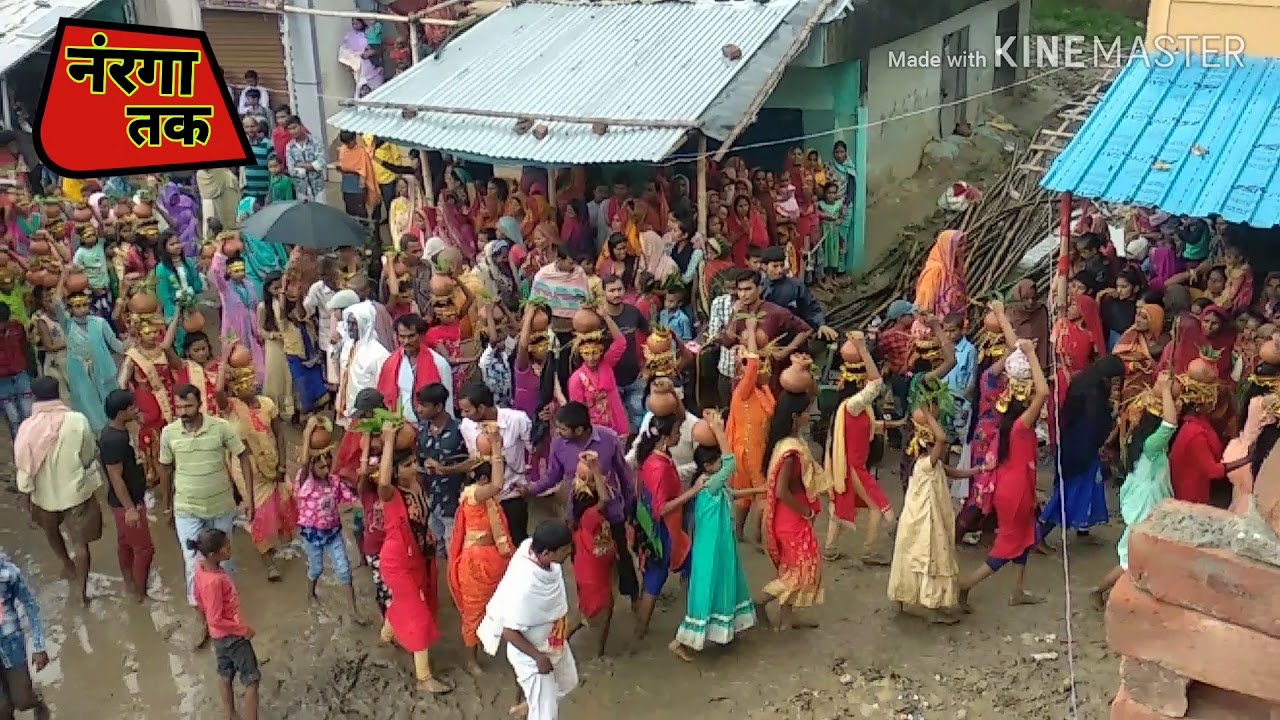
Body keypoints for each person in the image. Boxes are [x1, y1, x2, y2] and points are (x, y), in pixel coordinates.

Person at [957, 342, 1049, 609]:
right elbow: (1043, 391)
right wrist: (1032, 354)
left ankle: (1018, 590)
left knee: (1025, 535)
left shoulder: (1006, 425)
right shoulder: (1021, 426)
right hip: (1016, 490)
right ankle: (967, 584)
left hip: (1013, 487)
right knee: (1008, 545)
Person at [526, 402, 640, 608]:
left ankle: (632, 597)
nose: (558, 432)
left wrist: (630, 506)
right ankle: (588, 601)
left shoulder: (609, 438)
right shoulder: (558, 444)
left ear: (579, 429)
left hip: (611, 512)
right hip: (577, 514)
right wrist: (530, 489)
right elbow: (553, 476)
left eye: (562, 429)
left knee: (621, 554)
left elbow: (624, 475)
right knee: (581, 559)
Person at [670, 410, 758, 661]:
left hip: (720, 544)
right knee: (708, 587)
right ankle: (680, 641)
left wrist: (763, 489)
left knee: (724, 582)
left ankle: (725, 629)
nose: (722, 464)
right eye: (717, 462)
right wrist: (720, 431)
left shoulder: (710, 484)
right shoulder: (710, 483)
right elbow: (731, 464)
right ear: (709, 466)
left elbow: (734, 493)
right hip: (712, 546)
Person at [159, 384, 255, 608]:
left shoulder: (221, 428)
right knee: (193, 562)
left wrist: (248, 497)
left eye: (188, 406)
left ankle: (228, 605)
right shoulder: (169, 433)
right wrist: (167, 507)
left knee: (225, 558)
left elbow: (243, 456)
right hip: (186, 508)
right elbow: (165, 469)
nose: (183, 412)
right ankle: (200, 611)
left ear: (200, 405)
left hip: (221, 505)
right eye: (179, 407)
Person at [372, 422, 450, 694]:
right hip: (398, 562)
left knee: (419, 600)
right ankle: (423, 677)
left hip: (419, 557)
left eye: (414, 462)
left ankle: (386, 637)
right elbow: (382, 481)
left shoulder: (417, 484)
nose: (413, 468)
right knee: (417, 613)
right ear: (394, 470)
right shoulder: (391, 494)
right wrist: (389, 441)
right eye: (407, 465)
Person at [1090, 371, 1178, 608]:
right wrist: (1167, 391)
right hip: (1145, 506)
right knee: (1130, 560)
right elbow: (1170, 424)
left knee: (1141, 556)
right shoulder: (1152, 446)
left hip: (1141, 499)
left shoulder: (1136, 437)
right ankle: (1099, 590)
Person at [478, 520, 579, 720]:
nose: (569, 552)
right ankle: (535, 706)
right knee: (545, 715)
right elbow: (509, 631)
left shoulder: (534, 551)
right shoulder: (525, 587)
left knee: (569, 682)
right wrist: (538, 657)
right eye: (564, 550)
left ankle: (530, 705)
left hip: (553, 641)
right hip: (532, 655)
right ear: (547, 553)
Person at [14, 377, 100, 608]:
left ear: (33, 397)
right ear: (59, 392)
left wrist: (25, 498)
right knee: (80, 543)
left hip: (43, 496)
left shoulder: (26, 427)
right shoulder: (77, 420)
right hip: (75, 492)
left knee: (51, 532)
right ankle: (82, 592)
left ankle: (67, 565)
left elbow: (23, 465)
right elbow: (89, 453)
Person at [887, 406, 975, 624]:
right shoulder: (925, 464)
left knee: (911, 555)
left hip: (919, 517)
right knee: (929, 557)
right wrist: (927, 414)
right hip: (926, 518)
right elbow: (942, 438)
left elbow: (953, 472)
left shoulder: (929, 465)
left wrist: (979, 471)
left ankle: (903, 599)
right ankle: (932, 606)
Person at [754, 390, 828, 631]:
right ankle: (761, 601)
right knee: (801, 570)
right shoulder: (790, 452)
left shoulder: (785, 444)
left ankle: (787, 617)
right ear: (796, 417)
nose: (810, 415)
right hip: (791, 517)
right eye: (807, 412)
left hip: (790, 515)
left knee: (792, 566)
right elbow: (781, 491)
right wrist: (805, 511)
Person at [447, 423, 515, 676]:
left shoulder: (485, 497)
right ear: (483, 479)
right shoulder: (475, 495)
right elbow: (498, 485)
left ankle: (504, 646)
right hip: (476, 564)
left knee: (503, 606)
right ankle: (470, 660)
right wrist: (496, 444)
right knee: (474, 611)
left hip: (494, 559)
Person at [823, 331, 894, 562]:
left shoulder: (847, 405)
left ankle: (830, 547)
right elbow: (876, 383)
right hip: (855, 466)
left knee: (840, 503)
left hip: (844, 464)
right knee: (880, 508)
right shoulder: (855, 404)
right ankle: (869, 551)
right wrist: (863, 349)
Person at [222, 360, 293, 581]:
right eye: (241, 384)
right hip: (246, 467)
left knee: (284, 501)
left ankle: (280, 542)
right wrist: (225, 356)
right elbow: (216, 390)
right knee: (259, 512)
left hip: (271, 461)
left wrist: (282, 464)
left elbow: (279, 435)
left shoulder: (267, 404)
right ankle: (267, 559)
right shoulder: (231, 409)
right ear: (233, 388)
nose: (248, 387)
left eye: (250, 382)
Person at [632, 412, 700, 641]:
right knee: (672, 574)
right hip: (665, 532)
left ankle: (640, 632)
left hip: (652, 530)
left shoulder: (652, 458)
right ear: (665, 436)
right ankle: (698, 619)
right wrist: (693, 490)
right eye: (677, 431)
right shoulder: (659, 466)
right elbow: (661, 508)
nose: (680, 434)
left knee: (654, 578)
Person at [189, 528, 261, 720]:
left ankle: (229, 714)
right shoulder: (216, 581)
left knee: (225, 674)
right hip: (233, 637)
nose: (231, 549)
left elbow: (197, 598)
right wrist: (242, 629)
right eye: (227, 548)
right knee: (252, 680)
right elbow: (216, 618)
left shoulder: (199, 568)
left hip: (218, 637)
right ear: (214, 554)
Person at [294, 420, 361, 618]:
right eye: (321, 467)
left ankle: (353, 609)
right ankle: (310, 592)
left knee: (344, 569)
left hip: (333, 533)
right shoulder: (306, 481)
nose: (326, 470)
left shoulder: (334, 482)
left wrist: (363, 506)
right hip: (311, 534)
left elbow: (351, 499)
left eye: (328, 465)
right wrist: (307, 434)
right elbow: (305, 462)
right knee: (316, 568)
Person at [458, 383, 533, 544]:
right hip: (485, 497)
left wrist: (532, 484)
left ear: (482, 408)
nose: (464, 415)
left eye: (467, 410)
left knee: (516, 542)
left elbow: (534, 452)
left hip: (511, 495)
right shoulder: (467, 425)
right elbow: (474, 460)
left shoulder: (517, 419)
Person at [101, 389, 154, 604]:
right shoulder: (114, 440)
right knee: (145, 549)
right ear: (121, 413)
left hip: (122, 502)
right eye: (132, 407)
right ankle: (140, 593)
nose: (136, 408)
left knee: (125, 544)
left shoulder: (117, 432)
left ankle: (130, 584)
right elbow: (115, 477)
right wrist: (131, 508)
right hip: (127, 503)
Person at [725, 315, 775, 542]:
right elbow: (753, 363)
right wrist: (752, 329)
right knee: (762, 494)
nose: (763, 369)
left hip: (756, 448)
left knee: (746, 494)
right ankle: (758, 536)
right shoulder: (743, 391)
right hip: (747, 450)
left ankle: (740, 533)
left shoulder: (763, 389)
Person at [416, 383, 468, 556]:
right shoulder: (422, 429)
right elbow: (419, 463)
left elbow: (472, 463)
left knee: (454, 551)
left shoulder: (460, 430)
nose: (419, 409)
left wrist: (448, 470)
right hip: (431, 501)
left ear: (438, 407)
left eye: (424, 405)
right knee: (436, 550)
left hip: (453, 502)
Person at [0, 552, 51, 720]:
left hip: (11, 647)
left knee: (23, 700)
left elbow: (31, 606)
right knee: (3, 709)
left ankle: (37, 701)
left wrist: (39, 646)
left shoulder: (8, 573)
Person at [209, 250, 266, 387]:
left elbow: (256, 305)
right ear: (229, 271)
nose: (240, 273)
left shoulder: (249, 285)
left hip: (251, 326)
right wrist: (219, 253)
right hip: (235, 327)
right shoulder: (226, 288)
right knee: (235, 359)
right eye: (236, 270)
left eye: (242, 269)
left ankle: (257, 386)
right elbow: (216, 273)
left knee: (257, 357)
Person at [0, 304, 31, 438]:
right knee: (13, 418)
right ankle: (19, 450)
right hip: (3, 381)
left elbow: (25, 347)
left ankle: (32, 444)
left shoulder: (17, 328)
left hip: (21, 375)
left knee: (28, 413)